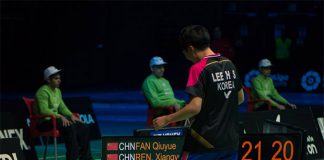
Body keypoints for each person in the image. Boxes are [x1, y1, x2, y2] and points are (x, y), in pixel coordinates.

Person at [153, 25, 244, 159]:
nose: (187, 58)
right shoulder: (229, 63)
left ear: (191, 49)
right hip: (230, 142)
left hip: (204, 144)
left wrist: (166, 119)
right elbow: (240, 98)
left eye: (185, 53)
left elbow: (194, 108)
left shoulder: (198, 68)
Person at [34, 66, 93, 160]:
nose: (59, 80)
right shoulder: (42, 92)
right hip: (44, 122)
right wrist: (60, 116)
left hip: (56, 120)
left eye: (59, 78)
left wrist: (71, 115)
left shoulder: (57, 91)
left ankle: (86, 157)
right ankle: (72, 158)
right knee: (69, 127)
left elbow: (62, 107)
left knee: (83, 127)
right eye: (56, 78)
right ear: (48, 80)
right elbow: (43, 110)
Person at [142, 56, 186, 125]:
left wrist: (183, 103)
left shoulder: (166, 81)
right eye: (159, 67)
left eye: (162, 67)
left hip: (171, 113)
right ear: (152, 68)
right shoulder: (149, 82)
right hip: (160, 115)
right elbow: (155, 103)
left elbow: (172, 99)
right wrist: (173, 103)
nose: (162, 69)